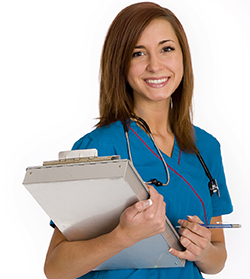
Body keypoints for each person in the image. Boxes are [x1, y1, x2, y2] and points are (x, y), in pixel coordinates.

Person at [44, 2, 233, 279]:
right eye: (138, 53)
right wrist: (122, 236)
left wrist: (203, 250)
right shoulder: (97, 148)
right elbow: (56, 268)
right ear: (120, 63)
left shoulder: (205, 147)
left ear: (183, 57)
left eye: (166, 49)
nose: (155, 65)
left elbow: (218, 259)